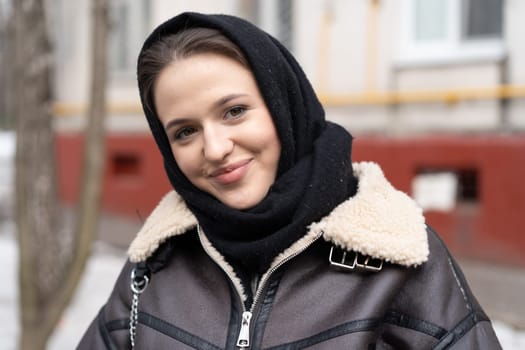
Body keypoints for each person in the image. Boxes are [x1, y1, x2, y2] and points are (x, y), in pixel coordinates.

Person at [78, 12, 502, 349]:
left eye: (233, 111)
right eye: (184, 131)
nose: (215, 148)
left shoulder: (399, 257)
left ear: (284, 103)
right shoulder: (155, 264)